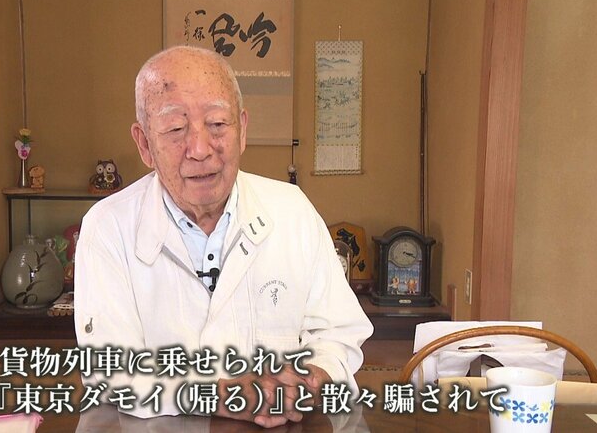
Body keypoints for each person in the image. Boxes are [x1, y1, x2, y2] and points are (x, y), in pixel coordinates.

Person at [74, 45, 373, 428]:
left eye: (217, 124)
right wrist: (220, 394)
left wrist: (313, 378)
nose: (200, 150)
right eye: (175, 129)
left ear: (242, 130)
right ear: (145, 144)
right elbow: (110, 372)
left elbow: (338, 333)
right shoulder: (107, 227)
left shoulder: (292, 210)